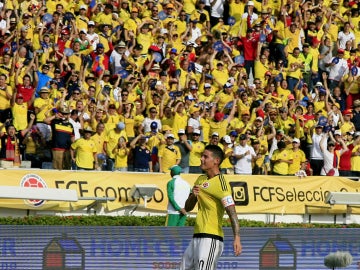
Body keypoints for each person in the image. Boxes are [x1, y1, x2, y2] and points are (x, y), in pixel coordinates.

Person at [180, 144, 242, 269]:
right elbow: (187, 207)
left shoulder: (221, 183)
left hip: (211, 238)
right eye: (202, 156)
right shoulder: (200, 179)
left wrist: (237, 237)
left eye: (205, 156)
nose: (201, 159)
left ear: (216, 161)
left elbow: (232, 212)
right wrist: (193, 195)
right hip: (197, 235)